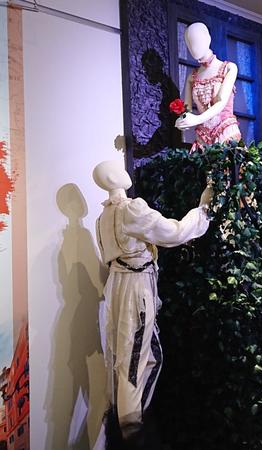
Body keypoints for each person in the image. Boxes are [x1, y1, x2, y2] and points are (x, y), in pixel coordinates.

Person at [93, 160, 213, 448]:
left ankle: (131, 424)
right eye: (115, 168)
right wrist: (203, 210)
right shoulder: (129, 209)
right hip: (135, 287)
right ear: (113, 178)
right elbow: (173, 233)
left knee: (141, 357)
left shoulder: (103, 217)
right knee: (132, 363)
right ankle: (131, 435)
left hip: (121, 286)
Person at [175, 22, 241, 152]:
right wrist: (182, 121)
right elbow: (187, 110)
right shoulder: (191, 77)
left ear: (208, 38)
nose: (193, 46)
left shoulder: (229, 68)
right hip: (203, 138)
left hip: (226, 133)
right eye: (189, 43)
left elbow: (221, 102)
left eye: (196, 40)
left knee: (227, 164)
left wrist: (197, 119)